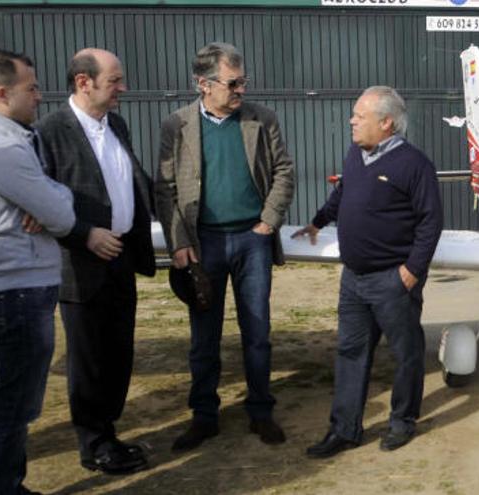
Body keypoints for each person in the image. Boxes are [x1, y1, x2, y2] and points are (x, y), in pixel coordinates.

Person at [155, 42, 295, 451]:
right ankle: (204, 415)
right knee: (204, 336)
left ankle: (260, 411)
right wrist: (178, 241)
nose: (240, 91)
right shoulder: (176, 126)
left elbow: (284, 172)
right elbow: (164, 189)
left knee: (257, 331)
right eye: (233, 83)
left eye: (243, 82)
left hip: (252, 241)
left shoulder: (261, 120)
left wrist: (267, 223)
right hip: (204, 245)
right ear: (203, 84)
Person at [295, 86, 443, 458]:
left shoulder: (415, 165)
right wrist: (317, 222)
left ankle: (401, 422)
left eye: (359, 116)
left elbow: (430, 223)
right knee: (349, 351)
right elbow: (343, 195)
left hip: (393, 280)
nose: (352, 121)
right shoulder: (355, 155)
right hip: (354, 279)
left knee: (405, 352)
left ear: (386, 122)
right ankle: (344, 430)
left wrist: (411, 271)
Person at [35, 48, 156, 475]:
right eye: (114, 80)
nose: (122, 87)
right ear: (84, 83)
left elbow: (132, 182)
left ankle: (109, 432)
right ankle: (95, 444)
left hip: (120, 258)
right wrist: (85, 234)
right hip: (80, 267)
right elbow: (41, 206)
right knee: (88, 359)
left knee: (119, 353)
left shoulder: (115, 123)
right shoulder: (50, 131)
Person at [0, 50, 75, 495]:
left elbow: (53, 199)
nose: (40, 96)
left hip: (22, 290)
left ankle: (9, 484)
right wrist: (51, 200)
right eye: (31, 87)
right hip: (18, 292)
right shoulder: (3, 150)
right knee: (13, 405)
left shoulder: (11, 140)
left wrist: (50, 196)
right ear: (3, 93)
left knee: (19, 403)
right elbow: (62, 215)